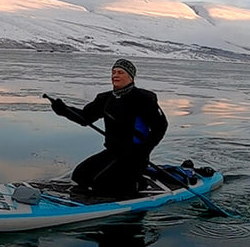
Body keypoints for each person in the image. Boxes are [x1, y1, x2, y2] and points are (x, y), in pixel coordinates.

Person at [48, 58, 168, 197]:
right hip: (114, 152)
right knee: (80, 175)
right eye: (113, 72)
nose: (115, 75)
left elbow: (160, 127)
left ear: (130, 76)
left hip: (134, 155)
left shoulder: (144, 98)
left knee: (102, 184)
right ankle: (128, 179)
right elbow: (85, 118)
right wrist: (64, 110)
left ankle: (136, 184)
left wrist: (143, 151)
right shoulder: (105, 99)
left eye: (120, 72)